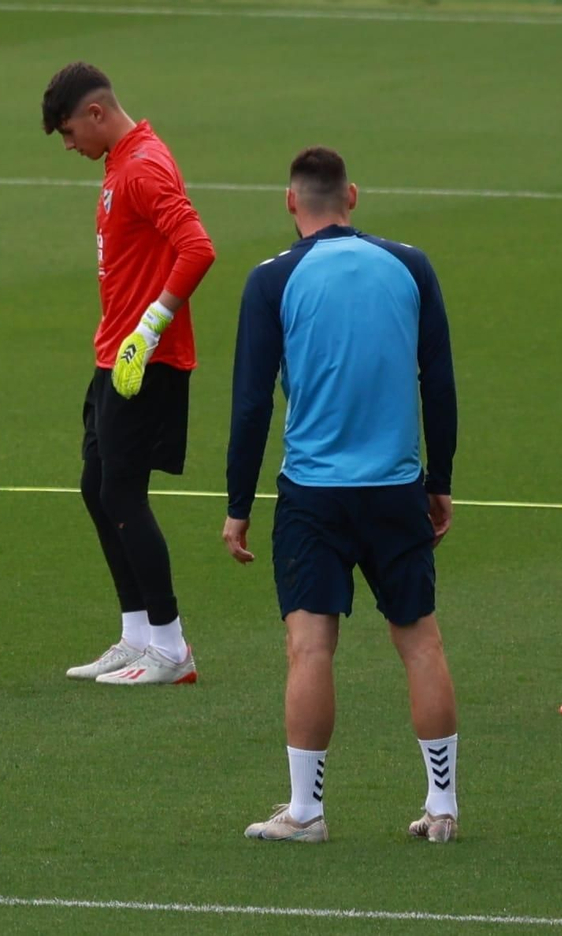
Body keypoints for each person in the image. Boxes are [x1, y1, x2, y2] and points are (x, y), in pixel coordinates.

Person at [225, 147, 459, 843]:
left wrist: (238, 505)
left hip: (313, 495)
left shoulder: (272, 280)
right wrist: (440, 482)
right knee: (421, 643)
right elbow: (439, 382)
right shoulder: (411, 266)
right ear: (351, 196)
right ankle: (443, 806)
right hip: (396, 488)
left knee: (310, 648)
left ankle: (307, 812)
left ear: (290, 202)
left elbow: (250, 404)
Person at [41, 62, 217, 685]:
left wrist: (150, 327)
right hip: (115, 356)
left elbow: (198, 248)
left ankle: (171, 649)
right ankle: (137, 635)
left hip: (146, 360)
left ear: (95, 113)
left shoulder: (142, 167)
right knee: (97, 488)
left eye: (69, 132)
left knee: (121, 494)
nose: (69, 146)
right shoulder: (122, 161)